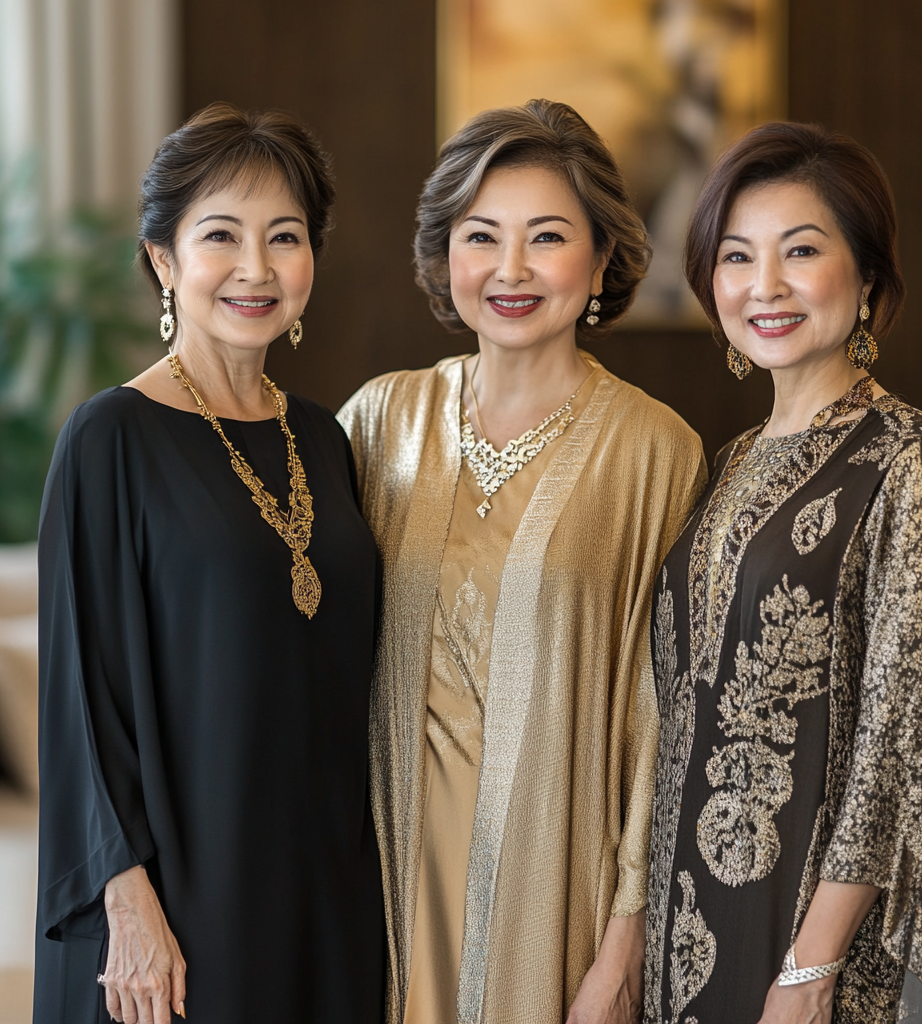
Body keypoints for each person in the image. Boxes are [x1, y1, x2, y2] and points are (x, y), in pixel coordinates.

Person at [339, 98, 707, 1024]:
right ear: (445, 255)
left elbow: (665, 721)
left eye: (546, 236)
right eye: (481, 236)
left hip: (560, 896)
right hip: (376, 884)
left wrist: (623, 948)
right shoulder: (380, 421)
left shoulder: (657, 452)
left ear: (601, 261)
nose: (510, 269)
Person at [33, 103, 384, 1024]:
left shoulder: (325, 437)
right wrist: (126, 897)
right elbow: (79, 697)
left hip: (323, 896)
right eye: (220, 235)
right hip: (178, 902)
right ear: (163, 258)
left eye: (286, 238)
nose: (256, 269)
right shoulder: (111, 437)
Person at [644, 121, 922, 1024]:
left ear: (868, 278)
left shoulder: (911, 460)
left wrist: (811, 968)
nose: (765, 287)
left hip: (803, 942)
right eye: (737, 257)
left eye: (801, 251)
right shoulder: (728, 464)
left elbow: (899, 734)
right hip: (686, 917)